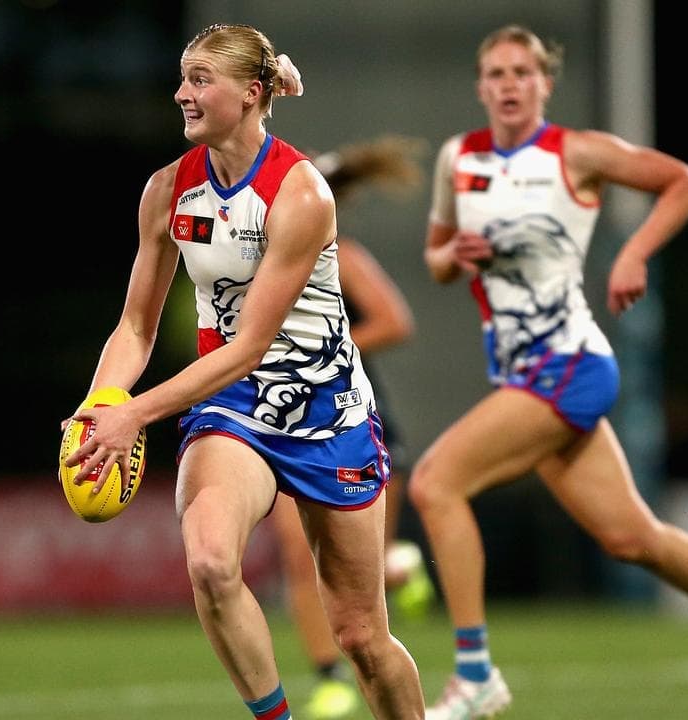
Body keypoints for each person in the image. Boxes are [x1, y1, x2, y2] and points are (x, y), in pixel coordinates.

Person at [408, 24, 688, 720]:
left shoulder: (577, 153)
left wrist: (635, 254)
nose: (510, 84)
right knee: (632, 538)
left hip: (569, 363)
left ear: (545, 82)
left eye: (522, 72)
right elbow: (435, 258)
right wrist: (458, 257)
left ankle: (476, 672)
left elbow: (685, 183)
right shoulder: (460, 160)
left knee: (435, 483)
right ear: (481, 87)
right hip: (522, 374)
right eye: (497, 73)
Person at [61, 23, 424, 720]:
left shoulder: (302, 194)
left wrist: (135, 414)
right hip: (231, 408)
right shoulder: (168, 190)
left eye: (200, 80)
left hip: (329, 414)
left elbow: (252, 343)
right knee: (209, 563)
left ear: (251, 93)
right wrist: (100, 403)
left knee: (362, 638)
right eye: (183, 78)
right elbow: (135, 327)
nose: (182, 95)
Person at [270, 136, 436, 720]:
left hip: (353, 418)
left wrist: (324, 349)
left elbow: (395, 322)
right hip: (286, 425)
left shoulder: (343, 257)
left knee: (362, 582)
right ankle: (328, 677)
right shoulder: (252, 263)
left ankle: (399, 566)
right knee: (299, 556)